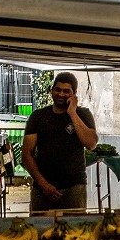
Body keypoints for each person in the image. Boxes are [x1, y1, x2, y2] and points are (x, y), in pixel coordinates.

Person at [22, 72, 98, 212]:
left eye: (66, 91)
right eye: (58, 89)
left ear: (74, 94)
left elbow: (91, 143)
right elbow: (27, 155)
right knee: (39, 230)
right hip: (42, 189)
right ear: (52, 90)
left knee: (75, 232)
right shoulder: (38, 117)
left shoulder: (83, 114)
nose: (61, 94)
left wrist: (72, 113)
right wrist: (44, 185)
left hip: (74, 188)